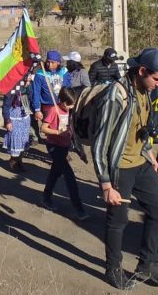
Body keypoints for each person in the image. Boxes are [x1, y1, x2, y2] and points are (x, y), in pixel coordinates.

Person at [91, 48, 158, 290]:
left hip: (141, 163)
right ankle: (113, 269)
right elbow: (100, 143)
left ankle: (148, 265)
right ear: (141, 71)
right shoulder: (115, 96)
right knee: (118, 220)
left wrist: (149, 153)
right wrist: (106, 183)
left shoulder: (144, 90)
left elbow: (142, 126)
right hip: (120, 168)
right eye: (156, 79)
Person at [40, 87, 88, 220]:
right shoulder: (53, 110)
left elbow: (72, 133)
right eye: (68, 104)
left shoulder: (71, 112)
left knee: (55, 173)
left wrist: (80, 152)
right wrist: (57, 132)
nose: (70, 107)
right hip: (54, 147)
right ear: (61, 100)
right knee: (69, 177)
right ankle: (79, 209)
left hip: (65, 146)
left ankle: (46, 197)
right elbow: (43, 128)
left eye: (72, 104)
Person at [31, 50, 69, 125]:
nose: (49, 65)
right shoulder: (40, 74)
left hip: (62, 106)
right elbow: (36, 92)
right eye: (48, 62)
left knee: (63, 128)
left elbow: (67, 88)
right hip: (47, 107)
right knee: (49, 129)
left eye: (53, 62)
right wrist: (37, 110)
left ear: (58, 62)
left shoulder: (64, 72)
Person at [2, 85, 31, 172]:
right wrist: (7, 121)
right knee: (15, 139)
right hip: (14, 117)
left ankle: (19, 160)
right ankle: (13, 160)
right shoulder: (11, 89)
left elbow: (31, 99)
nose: (29, 79)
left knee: (24, 140)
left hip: (25, 116)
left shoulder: (27, 87)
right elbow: (5, 106)